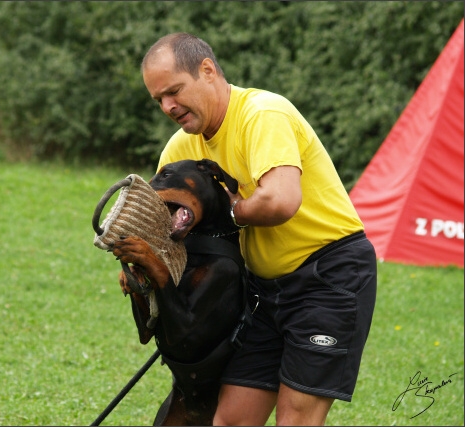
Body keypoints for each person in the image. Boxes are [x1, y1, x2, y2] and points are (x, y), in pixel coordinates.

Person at [140, 32, 377, 426]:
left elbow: (281, 200)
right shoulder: (179, 151)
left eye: (174, 91)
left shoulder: (263, 114)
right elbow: (158, 224)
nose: (168, 106)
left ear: (208, 70)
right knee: (230, 420)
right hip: (260, 292)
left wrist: (233, 211)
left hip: (328, 277)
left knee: (296, 419)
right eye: (159, 99)